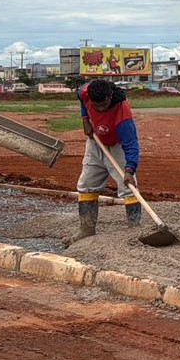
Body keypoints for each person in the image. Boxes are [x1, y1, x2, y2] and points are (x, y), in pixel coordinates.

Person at [64, 79, 142, 245]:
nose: (100, 109)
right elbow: (82, 100)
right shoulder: (84, 92)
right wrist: (85, 120)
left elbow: (131, 144)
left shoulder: (122, 112)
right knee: (86, 185)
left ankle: (135, 231)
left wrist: (129, 169)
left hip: (117, 145)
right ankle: (86, 230)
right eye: (96, 105)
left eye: (104, 104)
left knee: (128, 187)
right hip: (96, 143)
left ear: (110, 96)